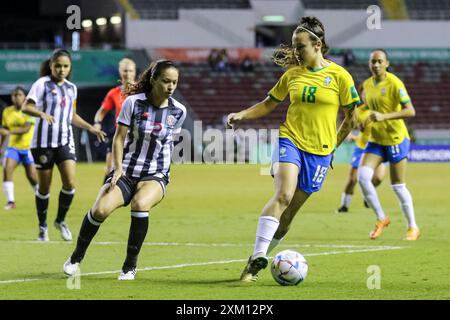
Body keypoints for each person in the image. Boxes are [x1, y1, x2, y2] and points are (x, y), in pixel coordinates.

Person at [227, 16, 360, 282]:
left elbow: (351, 118)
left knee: (287, 218)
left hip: (320, 153)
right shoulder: (292, 75)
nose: (295, 52)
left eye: (300, 46)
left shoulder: (340, 76)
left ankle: (258, 256)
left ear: (318, 45)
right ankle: (255, 261)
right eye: (294, 46)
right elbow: (268, 103)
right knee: (283, 195)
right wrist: (242, 114)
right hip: (291, 140)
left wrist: (332, 146)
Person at [63, 60, 187, 280]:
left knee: (140, 204)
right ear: (153, 80)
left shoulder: (179, 111)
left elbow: (168, 143)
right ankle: (75, 258)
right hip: (127, 170)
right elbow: (118, 139)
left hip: (155, 173)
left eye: (174, 82)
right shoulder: (133, 103)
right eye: (166, 81)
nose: (171, 86)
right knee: (100, 210)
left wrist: (164, 171)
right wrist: (117, 169)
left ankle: (129, 266)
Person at [22, 48, 106, 241]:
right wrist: (41, 113)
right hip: (42, 143)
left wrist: (90, 128)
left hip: (64, 141)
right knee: (44, 187)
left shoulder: (71, 88)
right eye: (57, 66)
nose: (61, 69)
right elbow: (26, 106)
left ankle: (60, 220)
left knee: (70, 183)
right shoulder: (41, 84)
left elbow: (72, 116)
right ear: (51, 66)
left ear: (70, 68)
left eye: (65, 66)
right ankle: (42, 227)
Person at [358, 49, 419, 241]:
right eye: (372, 62)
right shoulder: (367, 85)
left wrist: (385, 116)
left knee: (398, 186)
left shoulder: (394, 83)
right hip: (376, 139)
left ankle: (413, 227)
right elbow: (367, 108)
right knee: (363, 176)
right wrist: (364, 119)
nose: (375, 65)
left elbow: (410, 111)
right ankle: (381, 218)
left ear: (387, 63)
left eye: (379, 61)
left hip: (395, 138)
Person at [336, 86, 386, 213]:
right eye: (364, 94)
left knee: (379, 178)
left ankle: (366, 193)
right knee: (352, 180)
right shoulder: (358, 111)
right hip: (362, 148)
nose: (366, 96)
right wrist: (349, 136)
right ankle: (344, 206)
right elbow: (347, 125)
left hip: (378, 147)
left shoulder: (383, 109)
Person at [93, 58, 137, 179]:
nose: (127, 74)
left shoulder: (141, 91)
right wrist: (97, 123)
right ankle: (106, 195)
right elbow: (101, 112)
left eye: (130, 71)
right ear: (120, 72)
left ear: (134, 72)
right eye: (125, 71)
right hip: (119, 134)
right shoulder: (114, 93)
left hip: (137, 136)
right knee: (109, 169)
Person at [0, 87, 38, 209]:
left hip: (28, 148)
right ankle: (11, 201)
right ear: (11, 97)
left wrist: (8, 132)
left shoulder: (29, 110)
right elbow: (4, 131)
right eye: (14, 95)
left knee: (32, 177)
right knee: (7, 169)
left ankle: (40, 196)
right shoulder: (7, 111)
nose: (17, 97)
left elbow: (25, 129)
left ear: (25, 97)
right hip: (13, 148)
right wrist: (1, 147)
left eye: (19, 94)